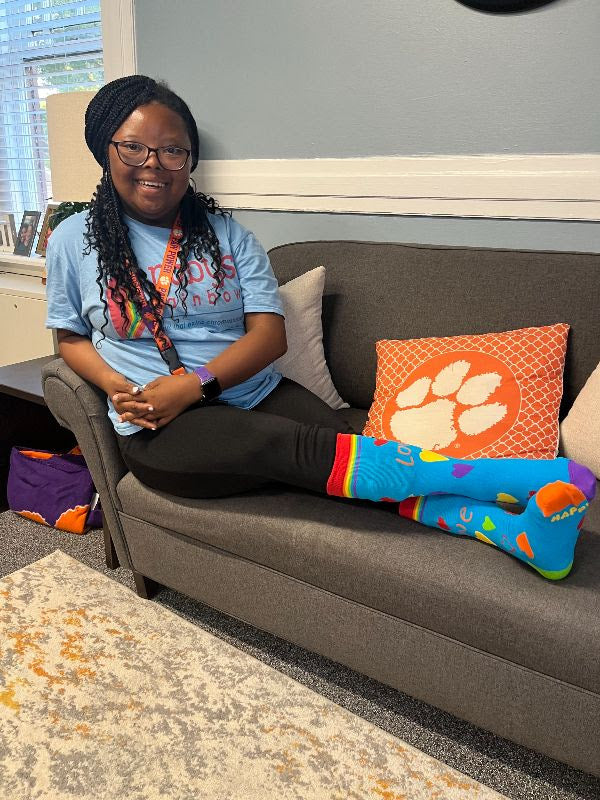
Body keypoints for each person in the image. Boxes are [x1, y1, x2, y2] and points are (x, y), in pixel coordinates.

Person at [46, 75, 595, 581]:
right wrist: (118, 386)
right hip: (160, 427)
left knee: (351, 459)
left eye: (173, 150)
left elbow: (269, 336)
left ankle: (520, 536)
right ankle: (505, 477)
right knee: (301, 451)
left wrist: (196, 382)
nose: (155, 164)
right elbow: (69, 337)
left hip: (250, 392)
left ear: (189, 160)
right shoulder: (73, 240)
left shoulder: (228, 236)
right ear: (106, 150)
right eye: (134, 147)